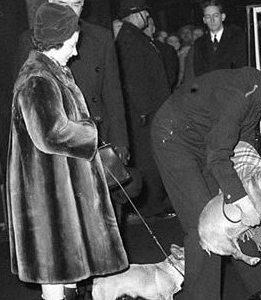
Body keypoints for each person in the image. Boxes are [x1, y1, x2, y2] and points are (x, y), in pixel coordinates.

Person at [151, 58, 261, 300]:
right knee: (203, 226)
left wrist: (255, 194)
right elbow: (219, 156)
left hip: (204, 143)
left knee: (235, 213)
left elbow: (241, 148)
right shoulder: (240, 95)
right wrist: (242, 200)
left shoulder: (258, 98)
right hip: (174, 140)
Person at [7, 3, 128, 300]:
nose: (76, 52)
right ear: (56, 41)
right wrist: (90, 132)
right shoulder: (38, 79)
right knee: (54, 281)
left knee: (68, 278)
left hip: (59, 194)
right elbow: (51, 134)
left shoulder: (53, 72)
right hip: (47, 199)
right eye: (72, 44)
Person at [14, 0, 131, 167]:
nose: (69, 9)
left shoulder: (101, 37)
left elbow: (113, 95)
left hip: (99, 140)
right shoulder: (30, 40)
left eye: (76, 4)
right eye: (62, 2)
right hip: (57, 151)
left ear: (84, 5)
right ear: (50, 2)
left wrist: (121, 142)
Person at [116, 0, 172, 217]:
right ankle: (152, 208)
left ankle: (153, 206)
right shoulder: (131, 40)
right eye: (145, 12)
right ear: (136, 14)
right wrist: (147, 113)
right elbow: (135, 81)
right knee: (150, 163)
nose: (148, 16)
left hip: (148, 114)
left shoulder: (133, 38)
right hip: (147, 117)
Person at [185, 0, 247, 82]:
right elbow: (197, 72)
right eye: (208, 17)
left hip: (232, 88)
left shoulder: (238, 39)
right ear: (204, 20)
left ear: (223, 17)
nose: (212, 20)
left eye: (215, 16)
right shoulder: (199, 43)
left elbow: (241, 68)